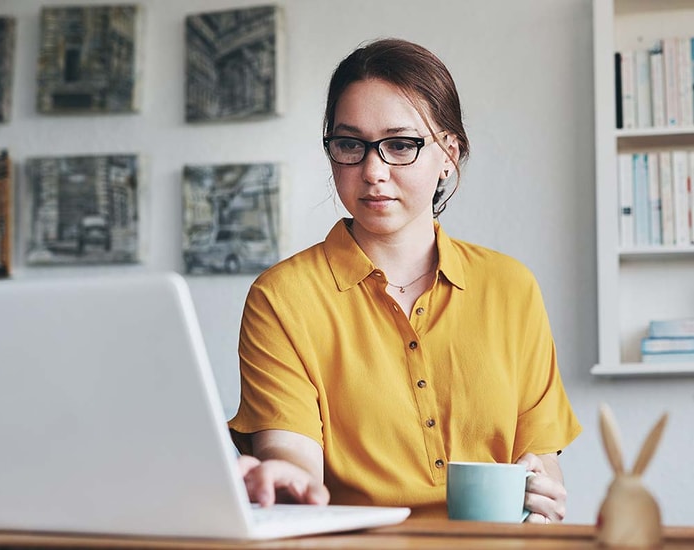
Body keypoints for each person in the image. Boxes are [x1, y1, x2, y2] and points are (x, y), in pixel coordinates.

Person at [228, 38, 582, 523]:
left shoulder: (511, 288)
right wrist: (286, 481)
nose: (373, 171)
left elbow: (542, 466)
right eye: (350, 144)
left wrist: (544, 497)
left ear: (448, 155)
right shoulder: (281, 298)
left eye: (400, 144)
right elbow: (291, 456)